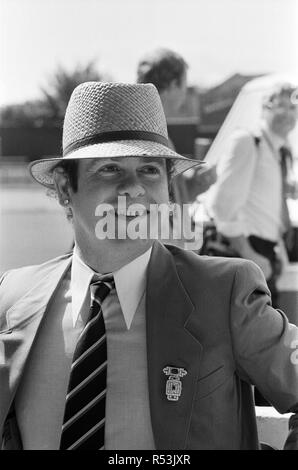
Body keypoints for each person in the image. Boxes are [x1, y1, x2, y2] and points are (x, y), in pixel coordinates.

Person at [0, 81, 298, 450]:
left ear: (169, 187)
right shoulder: (13, 299)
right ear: (64, 188)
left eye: (150, 170)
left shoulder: (225, 294)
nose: (135, 189)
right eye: (110, 169)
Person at [206, 83, 298, 308]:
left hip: (265, 252)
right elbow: (222, 208)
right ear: (264, 109)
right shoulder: (248, 141)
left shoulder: (279, 151)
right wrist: (250, 255)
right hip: (246, 252)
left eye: (293, 107)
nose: (287, 113)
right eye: (279, 105)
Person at [137, 48, 216, 206]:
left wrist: (193, 184)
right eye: (184, 86)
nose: (185, 94)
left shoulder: (145, 129)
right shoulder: (150, 136)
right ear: (173, 85)